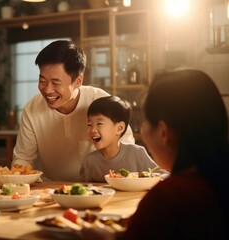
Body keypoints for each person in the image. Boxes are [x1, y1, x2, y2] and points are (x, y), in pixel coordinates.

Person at [80, 69, 229, 239]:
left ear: (164, 133)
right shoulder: (216, 182)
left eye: (145, 121)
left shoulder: (168, 198)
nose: (142, 131)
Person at [11, 40, 135, 182]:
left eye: (56, 83)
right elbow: (23, 158)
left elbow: (126, 147)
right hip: (49, 189)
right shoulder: (32, 109)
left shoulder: (100, 101)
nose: (47, 90)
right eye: (43, 81)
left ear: (78, 81)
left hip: (99, 188)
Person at [80, 96, 168, 182]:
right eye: (89, 124)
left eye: (99, 124)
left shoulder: (136, 153)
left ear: (119, 128)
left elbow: (161, 176)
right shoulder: (89, 162)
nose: (92, 130)